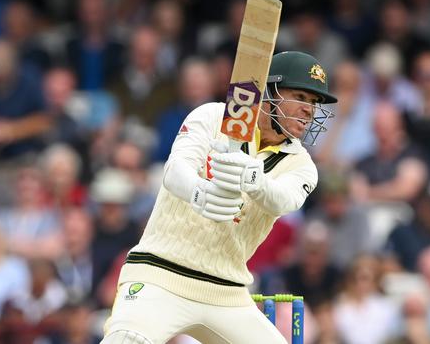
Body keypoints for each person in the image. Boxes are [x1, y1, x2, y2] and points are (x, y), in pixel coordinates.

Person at [101, 51, 337, 343]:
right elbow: (175, 171)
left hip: (227, 291)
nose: (309, 111)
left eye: (314, 103)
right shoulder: (213, 116)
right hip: (159, 273)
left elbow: (283, 199)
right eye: (301, 96)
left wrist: (252, 178)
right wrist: (199, 193)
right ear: (270, 90)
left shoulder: (302, 165)